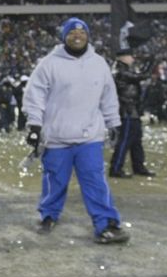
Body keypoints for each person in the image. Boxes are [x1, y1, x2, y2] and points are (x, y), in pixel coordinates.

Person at [22, 17, 130, 245]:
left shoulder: (99, 63)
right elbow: (35, 95)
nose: (77, 36)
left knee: (95, 181)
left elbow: (108, 97)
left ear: (88, 36)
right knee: (55, 180)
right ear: (64, 37)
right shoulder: (49, 63)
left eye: (82, 32)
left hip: (89, 136)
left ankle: (106, 223)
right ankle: (48, 215)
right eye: (72, 33)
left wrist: (114, 123)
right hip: (57, 136)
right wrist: (34, 124)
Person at [108, 50, 155, 178]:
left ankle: (138, 166)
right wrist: (151, 62)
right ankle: (116, 168)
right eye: (130, 56)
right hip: (126, 110)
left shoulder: (122, 70)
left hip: (132, 110)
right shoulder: (121, 71)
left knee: (136, 140)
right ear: (122, 58)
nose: (133, 58)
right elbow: (142, 76)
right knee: (125, 140)